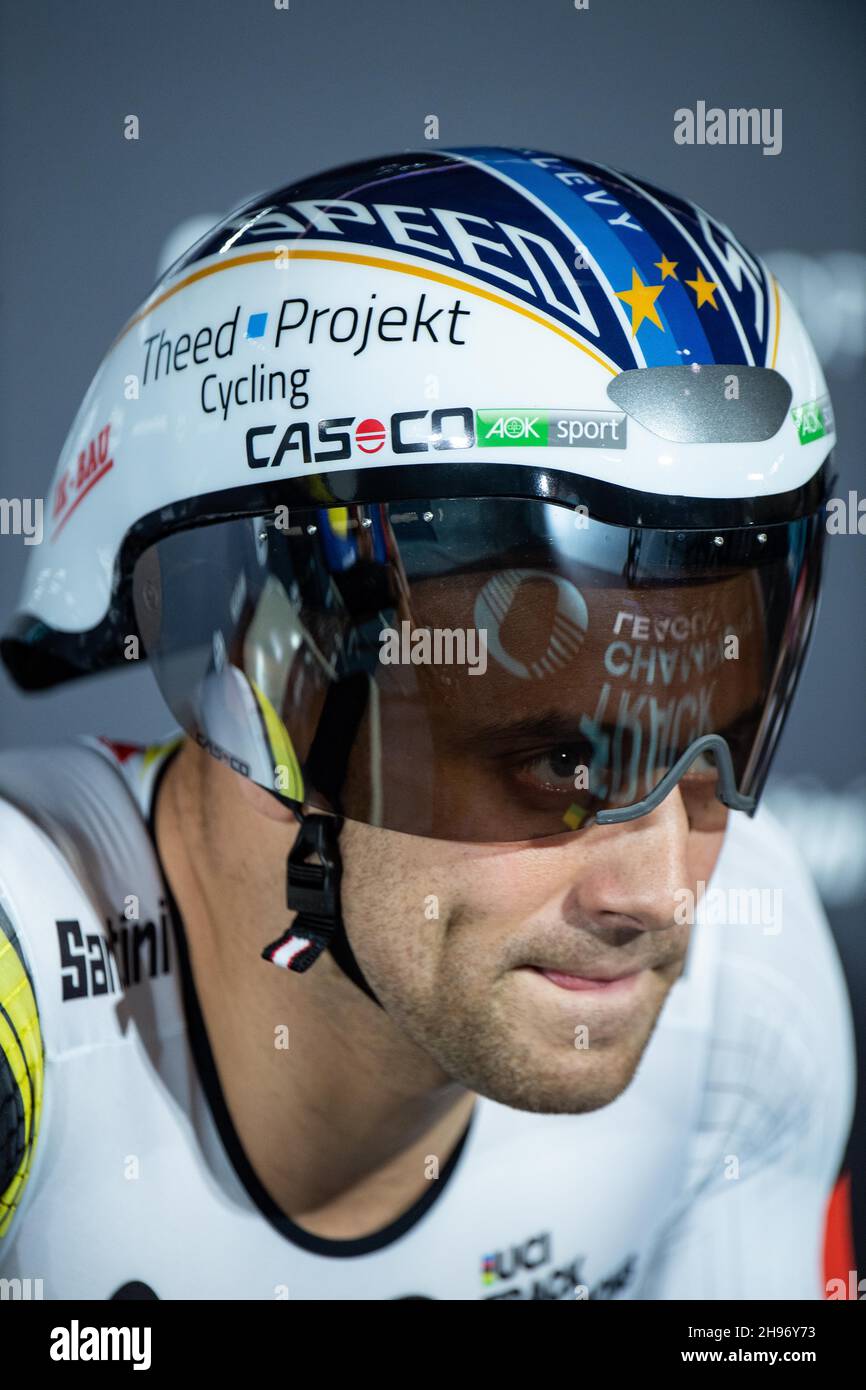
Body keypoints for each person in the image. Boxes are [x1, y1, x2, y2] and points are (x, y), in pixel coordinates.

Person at [0, 146, 855, 1300]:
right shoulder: (23, 994)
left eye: (712, 751)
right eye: (556, 758)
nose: (661, 893)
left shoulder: (751, 994)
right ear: (270, 685)